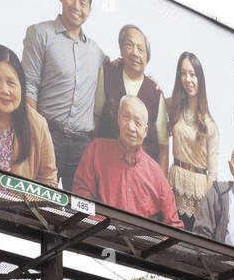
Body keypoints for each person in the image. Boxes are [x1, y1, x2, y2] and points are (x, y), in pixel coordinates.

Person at [22, 0, 107, 188]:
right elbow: (28, 85)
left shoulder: (96, 52)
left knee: (81, 213)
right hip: (49, 134)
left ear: (90, 9)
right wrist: (34, 134)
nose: (77, 7)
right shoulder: (40, 33)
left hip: (83, 145)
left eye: (83, 2)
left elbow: (119, 74)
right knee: (37, 203)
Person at [73, 97, 183, 227]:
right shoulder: (96, 150)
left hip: (141, 245)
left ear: (145, 131)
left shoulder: (156, 173)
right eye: (126, 117)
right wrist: (101, 227)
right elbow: (81, 196)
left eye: (137, 122)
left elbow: (174, 224)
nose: (131, 127)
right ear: (118, 118)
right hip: (99, 237)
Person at [0, 44, 57, 187]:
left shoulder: (37, 124)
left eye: (11, 83)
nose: (4, 90)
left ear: (21, 86)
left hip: (19, 209)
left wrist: (24, 206)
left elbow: (49, 181)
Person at [94, 25, 169, 171]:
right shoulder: (108, 74)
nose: (135, 53)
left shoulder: (155, 92)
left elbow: (164, 148)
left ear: (147, 58)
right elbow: (95, 119)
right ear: (121, 50)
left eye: (141, 49)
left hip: (142, 174)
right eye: (129, 45)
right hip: (106, 167)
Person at [166, 52, 220, 229]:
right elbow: (152, 101)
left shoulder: (210, 125)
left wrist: (206, 208)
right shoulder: (174, 106)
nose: (187, 79)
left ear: (200, 78)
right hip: (174, 182)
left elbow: (212, 174)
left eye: (192, 74)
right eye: (183, 73)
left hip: (197, 192)